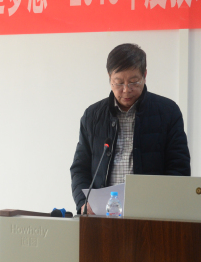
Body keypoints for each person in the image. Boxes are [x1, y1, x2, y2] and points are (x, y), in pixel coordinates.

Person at [70, 43, 190, 215]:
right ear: (109, 78)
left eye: (133, 82)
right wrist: (83, 202)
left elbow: (179, 168)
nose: (126, 90)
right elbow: (79, 168)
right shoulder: (92, 116)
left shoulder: (168, 112)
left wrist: (164, 205)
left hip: (151, 215)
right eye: (118, 83)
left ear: (145, 75)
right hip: (102, 216)